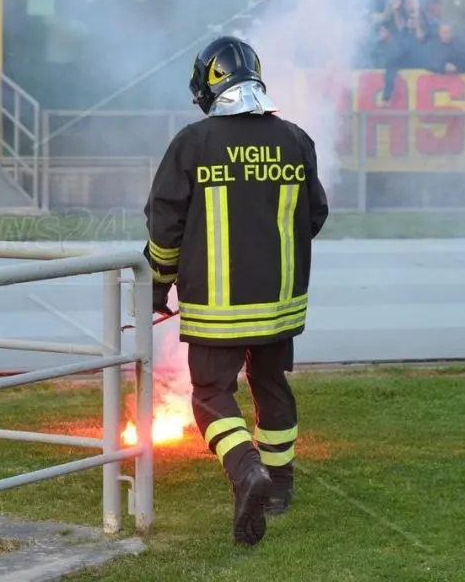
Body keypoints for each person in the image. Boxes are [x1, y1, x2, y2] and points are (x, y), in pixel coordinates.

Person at [142, 35, 330, 547]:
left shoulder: (193, 143)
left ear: (208, 85)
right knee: (271, 388)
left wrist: (158, 286)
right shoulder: (295, 139)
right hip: (280, 303)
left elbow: (165, 230)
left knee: (209, 396)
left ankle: (247, 472)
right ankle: (280, 488)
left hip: (216, 307)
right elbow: (314, 215)